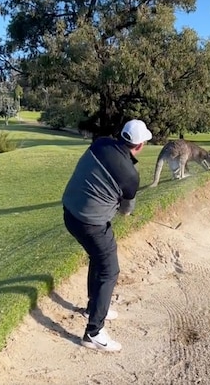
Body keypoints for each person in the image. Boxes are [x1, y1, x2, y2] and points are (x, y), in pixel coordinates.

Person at [61, 119, 152, 352]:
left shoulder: (100, 144)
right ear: (140, 145)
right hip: (91, 224)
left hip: (69, 213)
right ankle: (93, 332)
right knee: (110, 269)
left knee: (98, 258)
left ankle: (94, 308)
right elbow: (126, 210)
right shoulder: (131, 177)